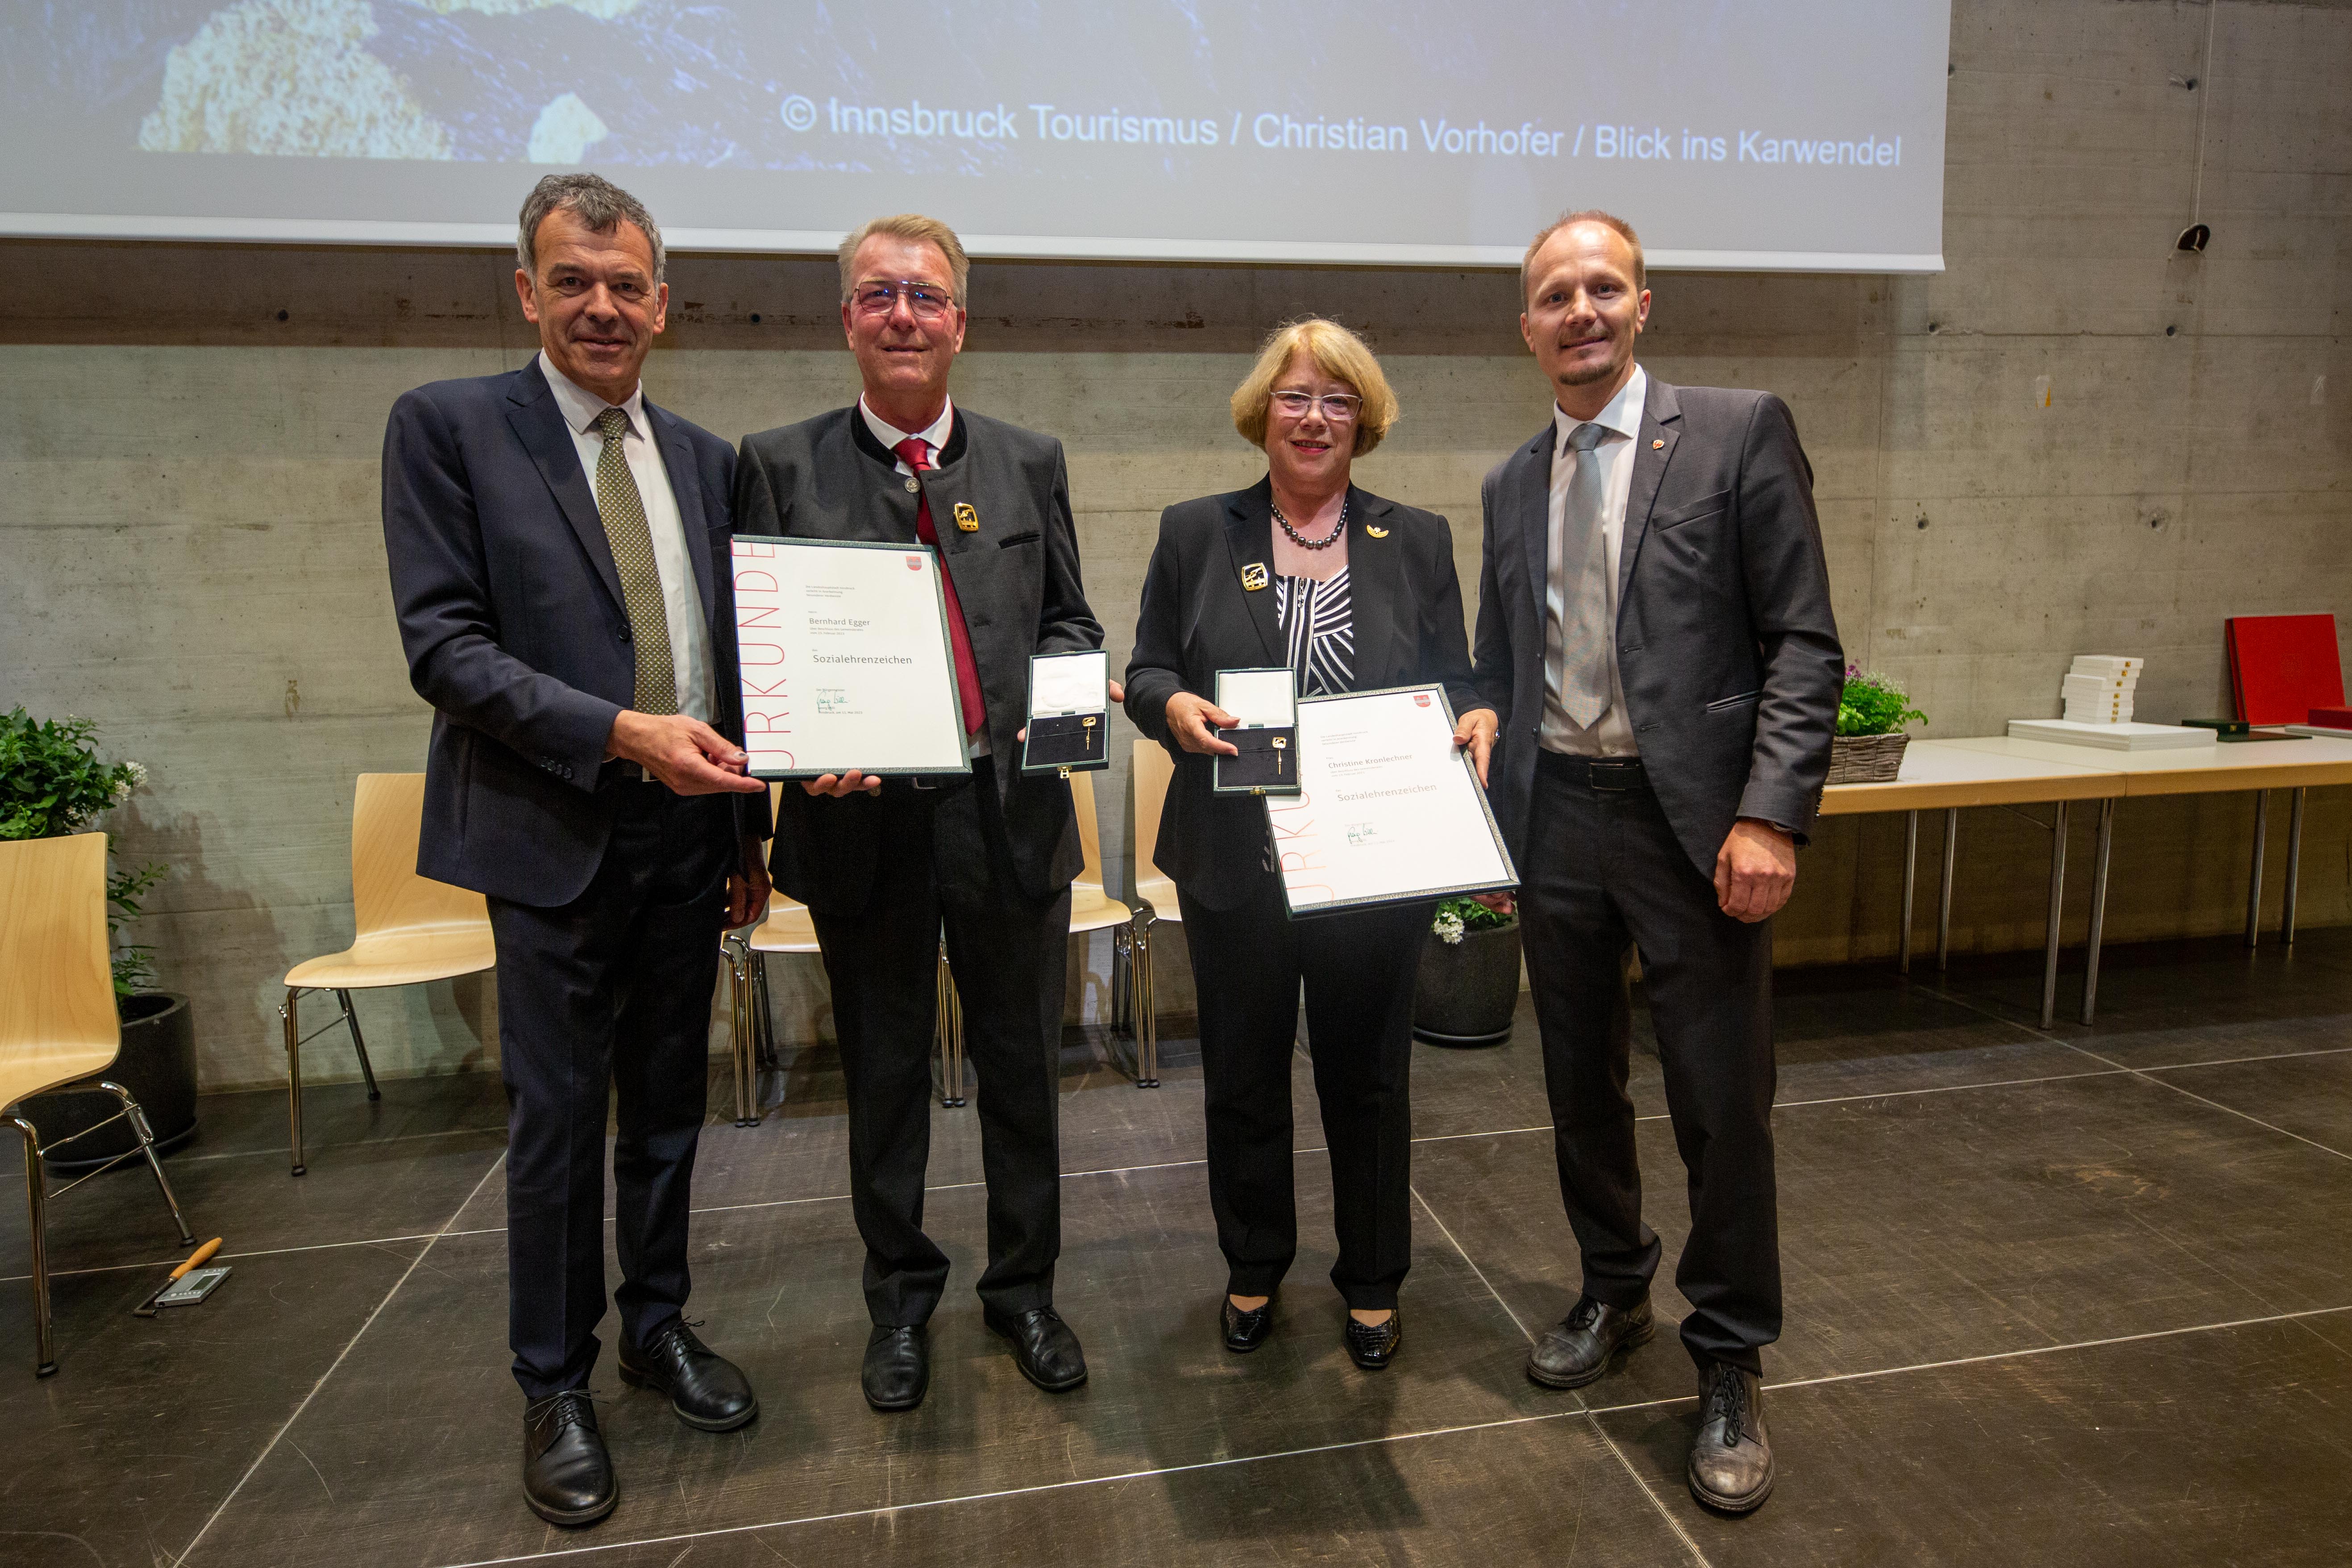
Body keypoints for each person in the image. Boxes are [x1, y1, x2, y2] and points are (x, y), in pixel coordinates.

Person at [381, 173, 772, 1527]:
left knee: (668, 1106)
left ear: (663, 302)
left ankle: (657, 1328)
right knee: (558, 1123)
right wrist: (620, 733)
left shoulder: (711, 461)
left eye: (625, 285)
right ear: (527, 291)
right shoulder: (446, 430)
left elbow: (727, 666)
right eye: (573, 281)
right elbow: (446, 649)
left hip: (684, 837)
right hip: (548, 837)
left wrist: (743, 826)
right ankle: (554, 1383)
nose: (601, 307)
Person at [1471, 210, 1842, 1512]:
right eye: (1551, 295)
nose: (1578, 310)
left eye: (1600, 287)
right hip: (1554, 812)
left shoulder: (1737, 433)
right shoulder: (1512, 479)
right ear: (1524, 327)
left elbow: (1802, 644)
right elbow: (1499, 662)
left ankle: (1728, 1352)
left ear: (1642, 305)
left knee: (1716, 1097)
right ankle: (1610, 1285)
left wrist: (1770, 816)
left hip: (1693, 826)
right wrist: (1476, 728)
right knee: (1576, 1082)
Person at [734, 214, 1108, 1412]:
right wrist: (801, 752)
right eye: (878, 295)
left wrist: (1069, 707)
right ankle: (897, 1302)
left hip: (1009, 823)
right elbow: (762, 650)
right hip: (862, 832)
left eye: (927, 297)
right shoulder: (779, 463)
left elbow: (1068, 623)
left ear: (961, 321)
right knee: (885, 1077)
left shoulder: (1027, 458)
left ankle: (1025, 1292)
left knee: (1020, 1074)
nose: (903, 315)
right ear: (845, 318)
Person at [1125, 319, 1496, 1371]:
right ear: (1262, 411)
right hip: (1234, 856)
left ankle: (1373, 1276)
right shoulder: (1197, 529)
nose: (1314, 417)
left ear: (1364, 420)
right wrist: (1172, 708)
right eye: (1295, 396)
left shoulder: (1414, 538)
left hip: (1370, 858)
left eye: (1337, 400)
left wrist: (1473, 717)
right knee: (1243, 1074)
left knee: (1368, 1077)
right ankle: (1253, 1263)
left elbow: (1453, 676)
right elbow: (1148, 666)